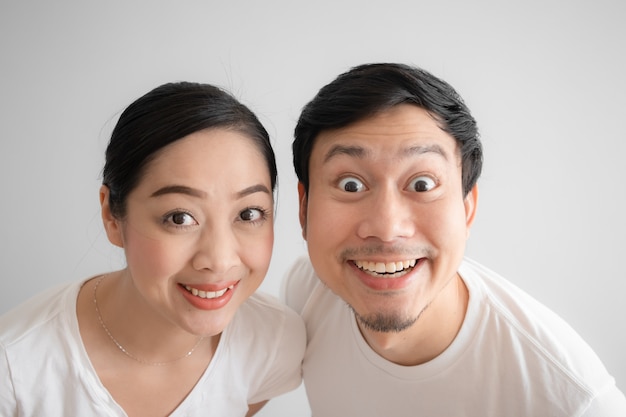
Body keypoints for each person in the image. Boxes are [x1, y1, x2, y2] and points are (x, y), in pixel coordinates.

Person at [283, 63, 626, 416]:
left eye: (422, 184)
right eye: (350, 184)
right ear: (304, 208)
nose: (387, 228)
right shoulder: (306, 292)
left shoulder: (574, 399)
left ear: (467, 208)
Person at [0, 81, 305, 416]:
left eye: (248, 214)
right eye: (179, 217)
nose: (219, 260)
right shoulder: (15, 368)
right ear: (112, 216)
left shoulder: (274, 343)